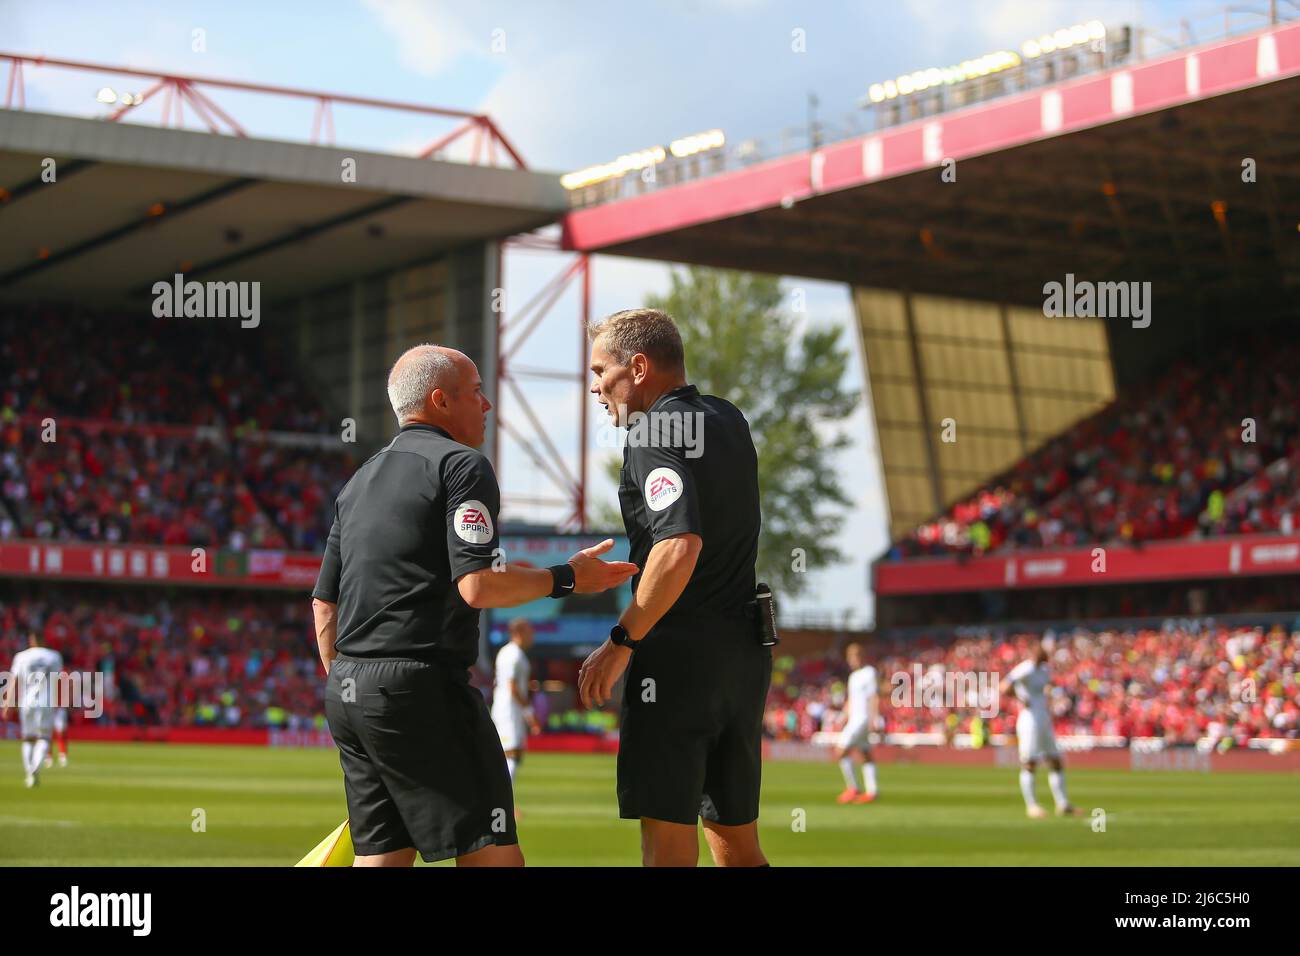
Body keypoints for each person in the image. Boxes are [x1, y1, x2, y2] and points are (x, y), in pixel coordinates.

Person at [312, 344, 636, 867]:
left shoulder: (358, 482)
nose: (487, 406)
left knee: (382, 858)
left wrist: (351, 680)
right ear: (440, 401)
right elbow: (477, 586)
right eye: (477, 392)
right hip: (421, 689)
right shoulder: (463, 466)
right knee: (493, 857)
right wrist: (567, 579)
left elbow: (324, 603)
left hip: (350, 691)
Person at [578, 308, 771, 867]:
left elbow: (679, 545)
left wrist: (621, 642)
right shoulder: (729, 419)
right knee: (739, 847)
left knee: (667, 847)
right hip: (744, 656)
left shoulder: (651, 431)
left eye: (599, 371)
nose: (595, 388)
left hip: (678, 661)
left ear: (637, 368)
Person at [1000, 638, 1076, 818]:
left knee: (1055, 760)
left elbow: (1046, 688)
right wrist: (1020, 698)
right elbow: (1004, 686)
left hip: (1043, 716)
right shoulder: (1025, 668)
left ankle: (1062, 804)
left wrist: (1054, 697)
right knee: (1030, 761)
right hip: (1030, 718)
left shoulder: (1044, 670)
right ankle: (1032, 805)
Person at [3, 633, 63, 788]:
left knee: (28, 738)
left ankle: (29, 771)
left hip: (27, 701)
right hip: (47, 701)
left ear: (31, 640)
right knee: (44, 738)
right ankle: (36, 768)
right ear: (43, 640)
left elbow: (13, 680)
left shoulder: (21, 657)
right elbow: (58, 681)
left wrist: (8, 702)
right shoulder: (54, 656)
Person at [492, 619, 540, 792]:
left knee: (515, 755)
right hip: (508, 711)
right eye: (529, 632)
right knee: (510, 755)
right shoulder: (512, 654)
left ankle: (505, 802)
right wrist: (529, 712)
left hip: (511, 710)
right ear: (519, 632)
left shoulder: (512, 653)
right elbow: (511, 686)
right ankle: (504, 804)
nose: (532, 636)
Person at [832, 643, 879, 804]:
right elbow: (851, 701)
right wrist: (842, 718)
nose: (851, 660)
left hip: (862, 719)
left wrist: (874, 718)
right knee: (865, 753)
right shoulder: (853, 677)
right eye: (849, 657)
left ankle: (853, 788)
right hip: (854, 719)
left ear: (860, 656)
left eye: (854, 657)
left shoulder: (869, 672)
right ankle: (872, 791)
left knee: (840, 751)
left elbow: (873, 697)